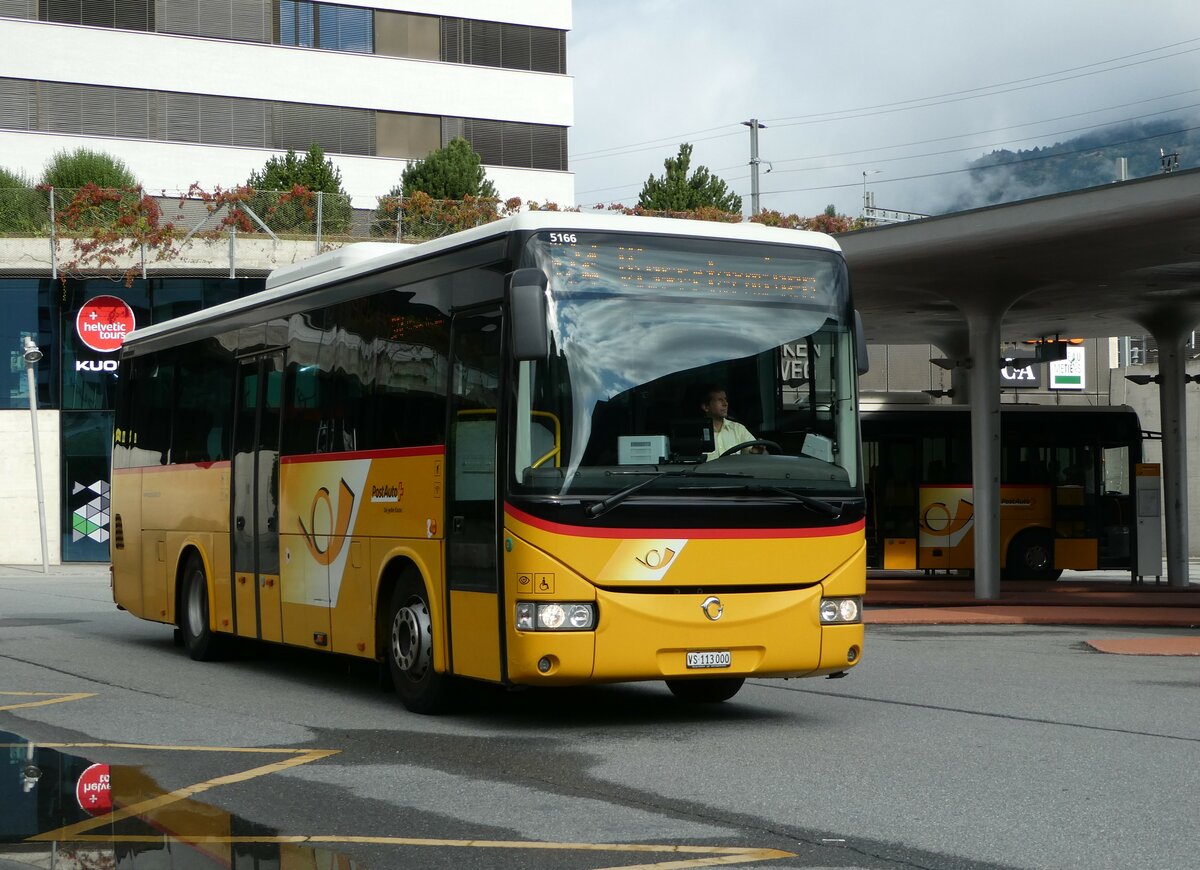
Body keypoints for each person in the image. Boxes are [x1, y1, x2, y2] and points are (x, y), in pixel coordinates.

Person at [700, 386, 763, 460]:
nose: (725, 404)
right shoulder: (695, 432)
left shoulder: (738, 429)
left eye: (725, 399)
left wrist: (756, 452)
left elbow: (759, 456)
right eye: (720, 400)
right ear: (706, 407)